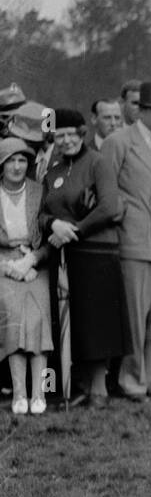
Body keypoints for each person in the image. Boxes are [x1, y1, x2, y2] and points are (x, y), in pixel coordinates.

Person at [98, 80, 151, 401]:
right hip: (134, 237)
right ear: (140, 110)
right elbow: (107, 193)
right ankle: (132, 380)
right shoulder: (118, 142)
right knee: (135, 314)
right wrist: (125, 218)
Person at [39, 110, 124, 409]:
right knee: (73, 322)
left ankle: (99, 388)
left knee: (98, 321)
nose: (66, 140)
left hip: (97, 253)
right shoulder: (54, 171)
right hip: (65, 257)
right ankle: (79, 385)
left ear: (81, 133)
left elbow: (109, 207)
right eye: (59, 136)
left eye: (71, 134)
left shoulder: (98, 163)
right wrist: (53, 226)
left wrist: (73, 230)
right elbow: (43, 213)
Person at [0, 138, 53, 415]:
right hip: (3, 265)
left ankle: (39, 393)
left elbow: (49, 237)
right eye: (11, 160)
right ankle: (19, 392)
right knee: (12, 312)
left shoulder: (38, 191)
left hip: (35, 264)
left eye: (22, 160)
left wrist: (32, 260)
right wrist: (10, 267)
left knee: (37, 315)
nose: (17, 166)